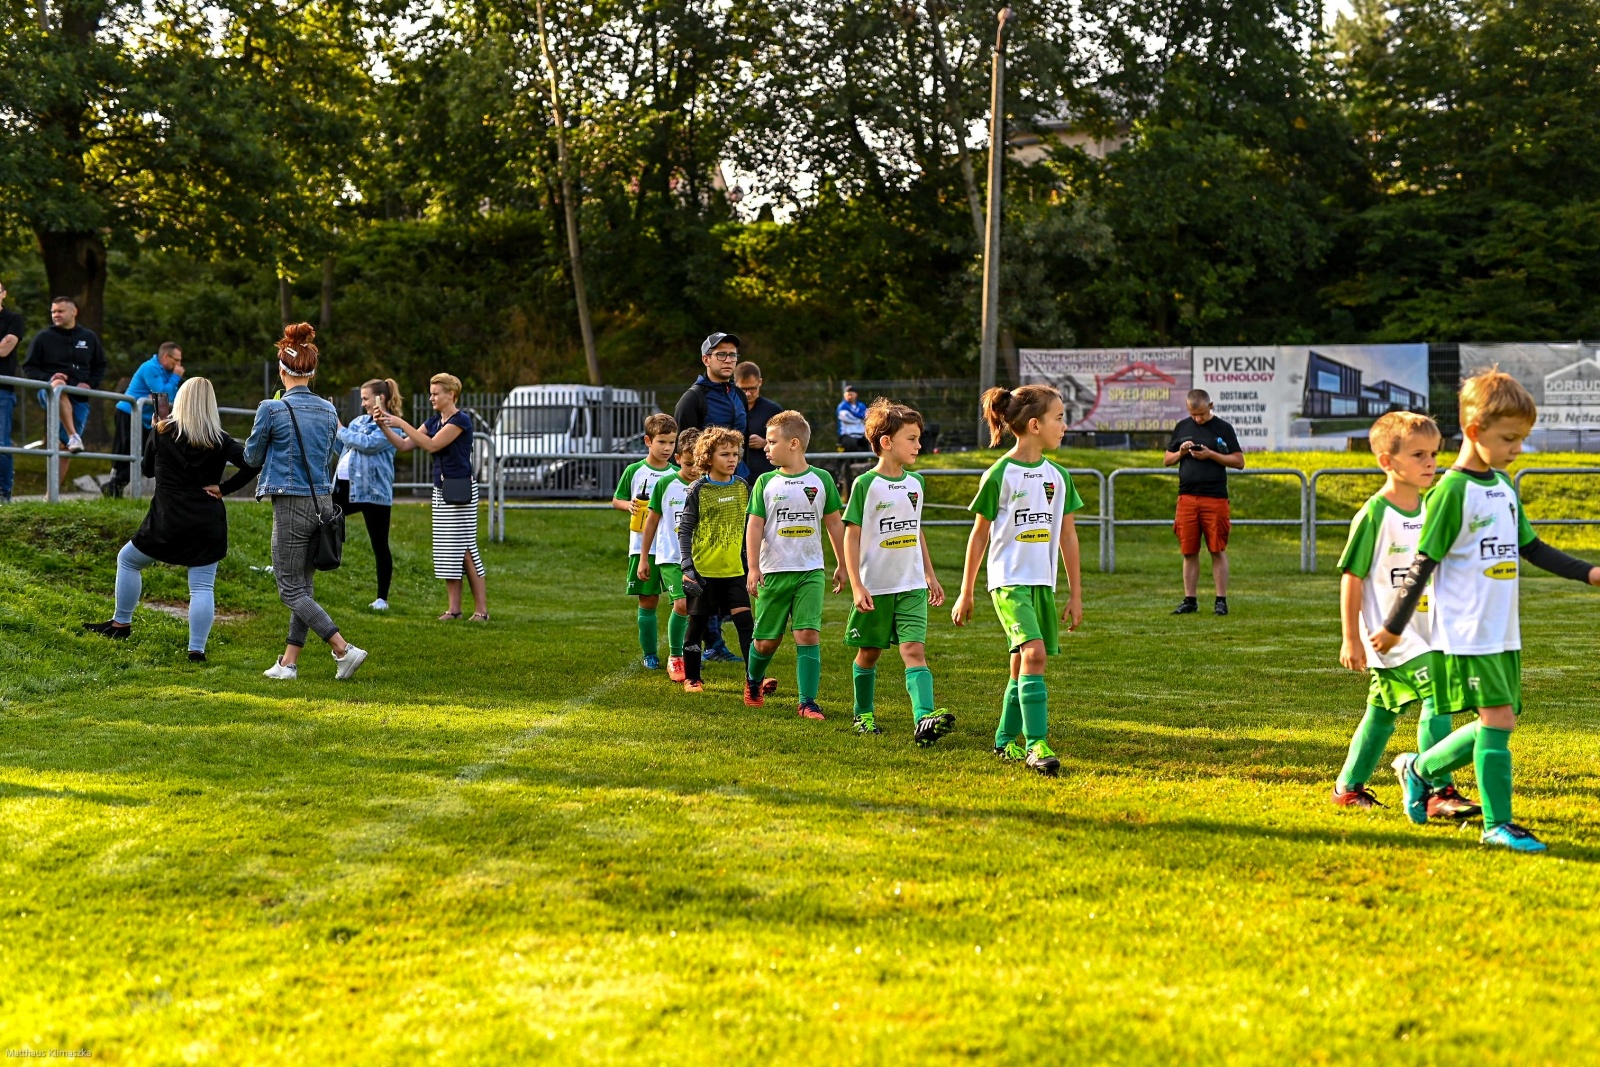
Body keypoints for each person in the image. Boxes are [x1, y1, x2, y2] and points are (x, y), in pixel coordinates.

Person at [1377, 370, 1600, 853]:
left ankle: (1418, 769)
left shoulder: (1503, 485)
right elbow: (1423, 563)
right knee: (1497, 719)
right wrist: (1393, 628)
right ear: (1475, 432)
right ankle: (1499, 825)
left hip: (1504, 632)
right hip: (1466, 632)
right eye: (1509, 439)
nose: (1518, 449)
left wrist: (1590, 573)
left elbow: (1533, 549)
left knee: (1499, 721)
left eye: (1522, 439)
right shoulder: (1450, 492)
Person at [1331, 411, 1479, 818]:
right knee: (1440, 695)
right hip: (1387, 636)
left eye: (1434, 453)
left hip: (1426, 630)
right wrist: (1351, 637)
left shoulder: (1432, 506)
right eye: (1418, 454)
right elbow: (1352, 578)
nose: (1430, 462)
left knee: (1381, 711)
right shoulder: (1375, 515)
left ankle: (1348, 786)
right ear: (1386, 461)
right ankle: (1435, 788)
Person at [952, 385, 1085, 778]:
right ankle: (1036, 744)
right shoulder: (1000, 474)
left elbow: (1069, 536)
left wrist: (1076, 594)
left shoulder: (1058, 476)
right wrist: (966, 591)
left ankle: (1003, 739)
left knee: (1019, 664)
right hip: (1008, 581)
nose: (1064, 425)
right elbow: (979, 535)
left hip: (1042, 583)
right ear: (1033, 424)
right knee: (1035, 655)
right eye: (1058, 418)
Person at [82, 378, 258, 660]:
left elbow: (147, 470)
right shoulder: (220, 439)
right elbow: (253, 462)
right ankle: (196, 650)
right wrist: (225, 488)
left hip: (167, 519)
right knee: (202, 587)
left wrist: (155, 432)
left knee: (128, 560)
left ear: (181, 401)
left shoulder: (162, 431)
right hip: (206, 520)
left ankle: (120, 623)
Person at [242, 323, 368, 680]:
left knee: (289, 587)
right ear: (312, 373)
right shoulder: (329, 411)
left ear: (283, 371)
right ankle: (288, 663)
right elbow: (333, 450)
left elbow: (252, 457)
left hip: (290, 504)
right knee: (304, 584)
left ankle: (343, 649)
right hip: (323, 503)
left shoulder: (271, 408)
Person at [842, 400, 955, 744]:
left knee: (914, 651)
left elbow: (916, 529)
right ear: (887, 442)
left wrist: (929, 574)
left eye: (919, 438)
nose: (919, 446)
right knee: (870, 653)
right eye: (912, 438)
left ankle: (924, 719)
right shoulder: (865, 484)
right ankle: (863, 713)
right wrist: (857, 585)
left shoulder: (916, 483)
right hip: (876, 587)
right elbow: (852, 534)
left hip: (911, 586)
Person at [744, 411, 847, 720]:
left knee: (807, 634)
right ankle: (753, 681)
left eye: (772, 442)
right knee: (766, 641)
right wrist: (752, 567)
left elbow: (835, 525)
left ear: (793, 443)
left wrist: (842, 564)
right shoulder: (765, 482)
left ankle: (808, 702)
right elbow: (753, 527)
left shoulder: (822, 480)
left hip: (810, 571)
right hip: (773, 572)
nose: (766, 447)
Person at [673, 331, 757, 662]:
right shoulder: (692, 399)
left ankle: (722, 636)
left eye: (732, 355)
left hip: (737, 489)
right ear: (706, 359)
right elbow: (682, 451)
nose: (727, 361)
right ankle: (712, 644)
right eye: (720, 355)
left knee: (736, 564)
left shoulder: (736, 393)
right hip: (706, 494)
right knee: (707, 571)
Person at [377, 372, 488, 621]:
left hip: (460, 491)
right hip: (441, 490)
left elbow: (432, 445)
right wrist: (384, 425)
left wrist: (401, 423)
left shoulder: (461, 420)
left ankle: (481, 611)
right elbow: (405, 445)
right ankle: (454, 610)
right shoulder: (434, 420)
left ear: (451, 394)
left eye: (436, 393)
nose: (431, 397)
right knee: (449, 551)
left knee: (466, 549)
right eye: (431, 393)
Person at [676, 427, 756, 693]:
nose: (732, 459)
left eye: (735, 454)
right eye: (725, 454)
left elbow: (749, 528)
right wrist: (687, 566)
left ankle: (752, 679)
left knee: (746, 624)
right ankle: (692, 678)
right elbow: (685, 530)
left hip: (734, 572)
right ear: (708, 457)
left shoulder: (743, 486)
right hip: (703, 572)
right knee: (697, 625)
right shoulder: (698, 489)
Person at [1163, 388, 1244, 615]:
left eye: (1201, 414)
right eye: (1193, 415)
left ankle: (1221, 600)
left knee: (1217, 549)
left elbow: (1239, 461)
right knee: (1189, 551)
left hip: (1215, 497)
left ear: (1211, 406)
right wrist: (1181, 452)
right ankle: (1190, 599)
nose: (1197, 419)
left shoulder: (1223, 428)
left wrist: (1211, 455)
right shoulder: (1182, 427)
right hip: (1187, 497)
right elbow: (1166, 460)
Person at [612, 413, 679, 669]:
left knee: (682, 602)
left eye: (672, 443)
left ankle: (680, 654)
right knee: (648, 599)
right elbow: (616, 499)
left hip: (672, 549)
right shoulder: (635, 471)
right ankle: (650, 653)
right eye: (662, 441)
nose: (667, 448)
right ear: (648, 441)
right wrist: (626, 505)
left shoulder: (677, 473)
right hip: (643, 547)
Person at [638, 428, 701, 681]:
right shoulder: (666, 484)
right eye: (688, 464)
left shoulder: (707, 485)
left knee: (697, 610)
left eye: (698, 464)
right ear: (678, 459)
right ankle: (675, 658)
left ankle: (691, 654)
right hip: (671, 558)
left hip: (701, 559)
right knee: (682, 604)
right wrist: (644, 557)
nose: (694, 469)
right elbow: (651, 523)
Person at [23, 296, 106, 489]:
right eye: (53, 312)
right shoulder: (43, 337)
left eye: (60, 311)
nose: (56, 315)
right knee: (59, 385)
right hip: (51, 392)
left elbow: (100, 365)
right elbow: (29, 367)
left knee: (65, 448)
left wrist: (89, 384)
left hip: (80, 398)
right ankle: (74, 435)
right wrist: (49, 378)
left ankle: (51, 494)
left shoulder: (89, 337)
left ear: (73, 312)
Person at [336, 378, 402, 611]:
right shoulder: (358, 421)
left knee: (379, 544)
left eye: (365, 398)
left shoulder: (392, 426)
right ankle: (293, 569)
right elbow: (345, 446)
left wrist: (341, 430)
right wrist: (334, 433)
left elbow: (368, 444)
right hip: (346, 488)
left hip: (374, 493)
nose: (362, 403)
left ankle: (381, 599)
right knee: (318, 518)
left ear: (379, 398)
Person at [108, 342, 185, 497]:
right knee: (126, 453)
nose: (179, 365)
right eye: (176, 360)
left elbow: (172, 397)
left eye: (180, 361)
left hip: (145, 419)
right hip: (128, 413)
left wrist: (164, 390)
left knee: (148, 454)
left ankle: (113, 486)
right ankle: (114, 488)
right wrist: (175, 379)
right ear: (165, 356)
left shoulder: (168, 372)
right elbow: (164, 394)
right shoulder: (151, 368)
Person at [736, 361, 783, 480]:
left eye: (752, 389)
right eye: (743, 389)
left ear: (760, 382)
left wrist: (765, 443)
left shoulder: (773, 410)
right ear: (734, 385)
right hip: (735, 478)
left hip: (766, 476)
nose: (747, 394)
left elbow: (786, 444)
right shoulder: (728, 410)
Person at [0, 281, 22, 504]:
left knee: (1, 442)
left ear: (3, 294)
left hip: (2, 391)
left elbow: (4, 350)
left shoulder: (13, 320)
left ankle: (3, 493)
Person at [836, 384, 868, 452]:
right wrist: (860, 418)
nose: (849, 396)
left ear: (856, 394)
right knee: (851, 443)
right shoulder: (842, 406)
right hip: (846, 435)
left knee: (871, 442)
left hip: (861, 434)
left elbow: (867, 416)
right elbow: (847, 418)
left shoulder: (861, 405)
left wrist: (853, 414)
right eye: (847, 394)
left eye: (851, 394)